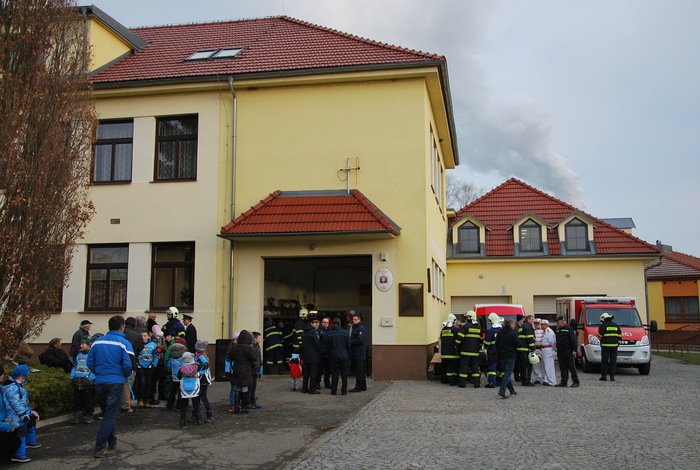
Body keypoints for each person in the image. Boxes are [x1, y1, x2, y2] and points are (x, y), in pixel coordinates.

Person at [87, 315, 134, 458]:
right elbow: (128, 365)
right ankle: (100, 446)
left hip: (100, 381)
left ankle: (112, 442)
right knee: (109, 415)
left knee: (108, 413)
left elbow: (90, 362)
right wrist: (123, 375)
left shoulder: (97, 342)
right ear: (121, 327)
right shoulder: (124, 343)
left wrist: (99, 373)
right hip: (116, 381)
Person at [2, 364, 41, 463]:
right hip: (14, 415)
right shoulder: (12, 387)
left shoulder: (15, 386)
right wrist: (23, 414)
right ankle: (19, 453)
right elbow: (15, 403)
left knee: (30, 421)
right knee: (22, 429)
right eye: (22, 378)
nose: (23, 380)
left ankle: (29, 442)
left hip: (18, 413)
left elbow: (20, 403)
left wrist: (28, 411)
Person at [228, 330, 259, 413]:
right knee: (245, 389)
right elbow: (253, 359)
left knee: (237, 388)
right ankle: (244, 407)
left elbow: (230, 357)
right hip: (246, 371)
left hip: (236, 370)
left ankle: (237, 407)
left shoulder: (234, 348)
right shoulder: (249, 348)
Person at [70, 335, 96, 424]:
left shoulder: (92, 355)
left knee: (88, 400)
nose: (81, 345)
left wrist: (90, 378)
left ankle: (89, 415)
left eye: (83, 344)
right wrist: (72, 376)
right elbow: (74, 367)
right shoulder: (78, 355)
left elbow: (94, 368)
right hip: (77, 381)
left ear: (89, 345)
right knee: (77, 400)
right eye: (81, 344)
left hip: (87, 383)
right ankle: (77, 415)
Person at [0, 364, 22, 464]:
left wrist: (29, 411)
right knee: (13, 441)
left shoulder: (3, 388)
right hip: (3, 425)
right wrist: (8, 427)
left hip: (4, 422)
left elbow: (13, 402)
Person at [456, 310, 483, 388]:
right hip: (475, 352)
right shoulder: (479, 327)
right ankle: (476, 384)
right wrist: (478, 348)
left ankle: (462, 383)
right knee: (475, 368)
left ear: (469, 318)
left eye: (466, 317)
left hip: (465, 352)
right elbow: (481, 340)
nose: (466, 319)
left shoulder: (465, 327)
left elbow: (459, 338)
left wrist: (456, 346)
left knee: (464, 368)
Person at [495, 318, 520, 399]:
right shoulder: (513, 334)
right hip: (510, 356)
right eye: (513, 324)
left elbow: (496, 344)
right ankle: (502, 391)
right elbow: (518, 344)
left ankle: (512, 391)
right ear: (510, 325)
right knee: (507, 374)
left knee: (506, 374)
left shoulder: (500, 332)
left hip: (502, 356)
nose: (514, 325)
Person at [326, 317, 351, 395]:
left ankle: (334, 390)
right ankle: (344, 391)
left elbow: (327, 346)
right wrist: (347, 353)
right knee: (344, 375)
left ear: (333, 323)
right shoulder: (345, 333)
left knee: (334, 374)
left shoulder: (329, 333)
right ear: (340, 323)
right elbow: (349, 345)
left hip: (333, 356)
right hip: (343, 356)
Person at [177, 352, 202, 426]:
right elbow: (204, 368)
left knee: (184, 404)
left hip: (184, 386)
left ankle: (182, 420)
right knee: (196, 403)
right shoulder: (196, 367)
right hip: (194, 386)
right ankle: (199, 420)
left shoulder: (181, 369)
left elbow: (179, 376)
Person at [555, 316, 580, 388]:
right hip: (561, 351)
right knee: (563, 368)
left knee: (572, 367)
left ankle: (576, 382)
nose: (557, 323)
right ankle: (564, 382)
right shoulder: (558, 330)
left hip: (568, 351)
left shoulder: (569, 329)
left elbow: (573, 340)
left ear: (563, 321)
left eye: (558, 321)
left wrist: (574, 350)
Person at [136, 330, 158, 408]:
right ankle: (140, 399)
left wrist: (154, 365)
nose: (143, 337)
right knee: (142, 383)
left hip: (149, 366)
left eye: (145, 336)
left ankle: (147, 400)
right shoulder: (138, 344)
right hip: (140, 366)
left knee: (149, 383)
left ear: (148, 336)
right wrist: (137, 363)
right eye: (141, 336)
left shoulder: (153, 345)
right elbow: (135, 354)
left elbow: (156, 355)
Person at [194, 339, 214, 422]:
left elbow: (205, 365)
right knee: (198, 396)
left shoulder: (200, 355)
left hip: (203, 379)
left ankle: (210, 414)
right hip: (200, 378)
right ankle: (196, 413)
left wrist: (199, 373)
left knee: (202, 396)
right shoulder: (199, 354)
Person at [598, 312, 622, 381]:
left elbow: (600, 335)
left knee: (604, 361)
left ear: (603, 319)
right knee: (613, 361)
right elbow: (620, 336)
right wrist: (617, 344)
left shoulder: (603, 326)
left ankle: (604, 376)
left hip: (605, 347)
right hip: (614, 347)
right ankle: (612, 376)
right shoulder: (616, 326)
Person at [300, 318, 322, 394]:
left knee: (306, 372)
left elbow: (302, 345)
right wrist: (320, 350)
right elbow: (317, 343)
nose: (317, 324)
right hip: (313, 355)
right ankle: (312, 389)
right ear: (311, 323)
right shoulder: (314, 332)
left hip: (305, 355)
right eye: (315, 323)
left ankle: (304, 388)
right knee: (313, 372)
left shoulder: (304, 332)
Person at [349, 313, 367, 392]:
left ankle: (358, 387)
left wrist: (350, 342)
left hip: (359, 352)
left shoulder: (360, 328)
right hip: (356, 352)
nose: (354, 321)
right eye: (353, 319)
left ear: (359, 320)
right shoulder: (356, 327)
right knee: (360, 370)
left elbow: (360, 340)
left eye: (355, 319)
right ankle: (363, 386)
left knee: (358, 370)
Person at [483, 312, 503, 389]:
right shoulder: (502, 330)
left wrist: (485, 347)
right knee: (501, 367)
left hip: (492, 351)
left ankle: (492, 382)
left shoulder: (490, 331)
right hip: (501, 351)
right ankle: (500, 380)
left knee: (492, 367)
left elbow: (487, 343)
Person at [439, 314, 460, 386]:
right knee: (452, 368)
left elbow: (441, 339)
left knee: (444, 367)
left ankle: (444, 379)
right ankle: (452, 381)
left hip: (444, 353)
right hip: (452, 354)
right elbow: (458, 341)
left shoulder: (443, 330)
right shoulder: (455, 330)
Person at [517, 315, 536, 386]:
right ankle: (527, 381)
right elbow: (530, 338)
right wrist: (532, 347)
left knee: (523, 366)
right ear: (528, 320)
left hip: (521, 349)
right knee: (528, 366)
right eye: (532, 319)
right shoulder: (528, 326)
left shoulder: (522, 326)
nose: (533, 321)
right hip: (526, 349)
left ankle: (523, 379)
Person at [539, 320, 557, 386]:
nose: (541, 326)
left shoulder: (549, 332)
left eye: (542, 325)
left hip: (548, 350)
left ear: (546, 325)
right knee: (545, 366)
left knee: (549, 367)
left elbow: (553, 342)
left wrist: (554, 350)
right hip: (544, 350)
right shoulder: (544, 332)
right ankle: (548, 380)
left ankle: (552, 382)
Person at [249, 332, 263, 408]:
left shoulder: (257, 346)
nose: (260, 339)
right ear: (254, 339)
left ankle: (253, 401)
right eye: (259, 338)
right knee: (250, 387)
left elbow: (259, 358)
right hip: (252, 370)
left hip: (256, 370)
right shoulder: (252, 347)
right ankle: (249, 402)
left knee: (254, 387)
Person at [317, 317, 332, 390]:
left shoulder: (330, 331)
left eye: (327, 322)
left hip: (328, 353)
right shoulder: (318, 330)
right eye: (325, 322)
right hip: (321, 353)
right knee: (319, 369)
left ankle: (327, 383)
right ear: (322, 323)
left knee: (328, 369)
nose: (326, 324)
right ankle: (317, 383)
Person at [532, 318, 544, 384]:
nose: (536, 324)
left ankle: (544, 379)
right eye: (535, 323)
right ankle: (537, 378)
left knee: (543, 365)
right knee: (535, 365)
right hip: (535, 349)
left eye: (538, 323)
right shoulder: (532, 331)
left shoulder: (543, 331)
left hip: (542, 349)